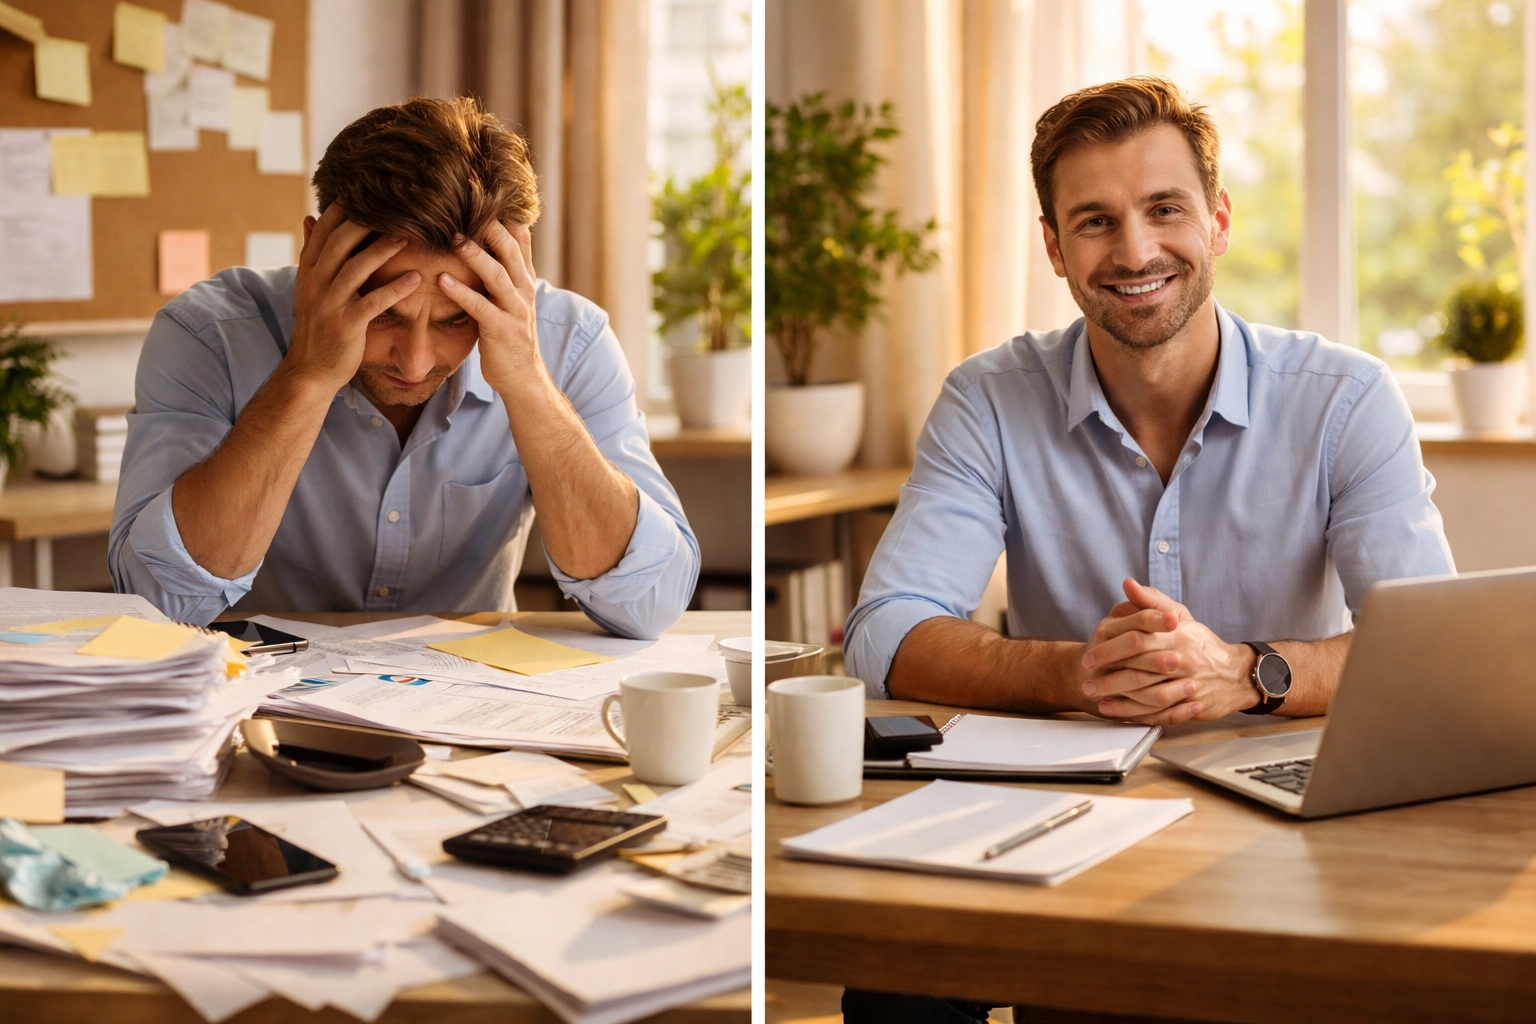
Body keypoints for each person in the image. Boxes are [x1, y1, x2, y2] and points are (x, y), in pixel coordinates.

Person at [839, 77, 1455, 1021]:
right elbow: (885, 632)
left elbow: (1427, 654)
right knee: (892, 970)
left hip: (1282, 812)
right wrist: (1080, 675)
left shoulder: (1346, 398)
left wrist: (1251, 674)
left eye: (1164, 209)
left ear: (1216, 222)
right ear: (1053, 246)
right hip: (1070, 817)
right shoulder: (989, 400)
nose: (1134, 251)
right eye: (1094, 221)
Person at [110, 98, 698, 638]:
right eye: (382, 314)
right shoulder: (208, 336)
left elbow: (647, 605)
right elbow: (160, 603)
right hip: (257, 705)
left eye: (453, 320)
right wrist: (307, 375)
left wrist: (527, 384)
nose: (415, 362)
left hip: (476, 705)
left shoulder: (570, 340)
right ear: (316, 253)